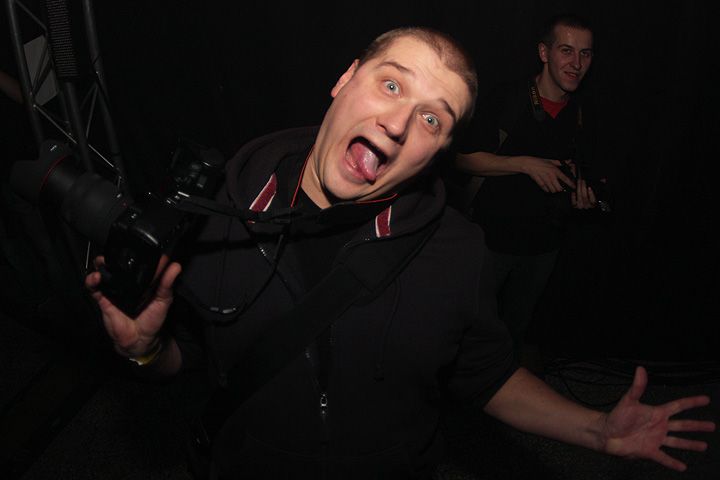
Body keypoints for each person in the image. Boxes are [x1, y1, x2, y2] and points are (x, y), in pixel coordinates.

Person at [85, 27, 714, 479]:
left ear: (437, 154)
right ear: (344, 80)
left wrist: (596, 429)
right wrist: (146, 350)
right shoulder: (222, 209)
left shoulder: (457, 253)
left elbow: (488, 375)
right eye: (390, 84)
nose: (398, 124)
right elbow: (190, 357)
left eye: (433, 119)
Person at [453, 14, 603, 360]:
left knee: (513, 334)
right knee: (466, 332)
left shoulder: (583, 112)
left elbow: (583, 172)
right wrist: (524, 163)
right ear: (544, 53)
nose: (576, 63)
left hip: (544, 247)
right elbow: (461, 160)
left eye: (585, 54)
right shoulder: (507, 98)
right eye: (566, 50)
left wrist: (583, 195)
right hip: (490, 242)